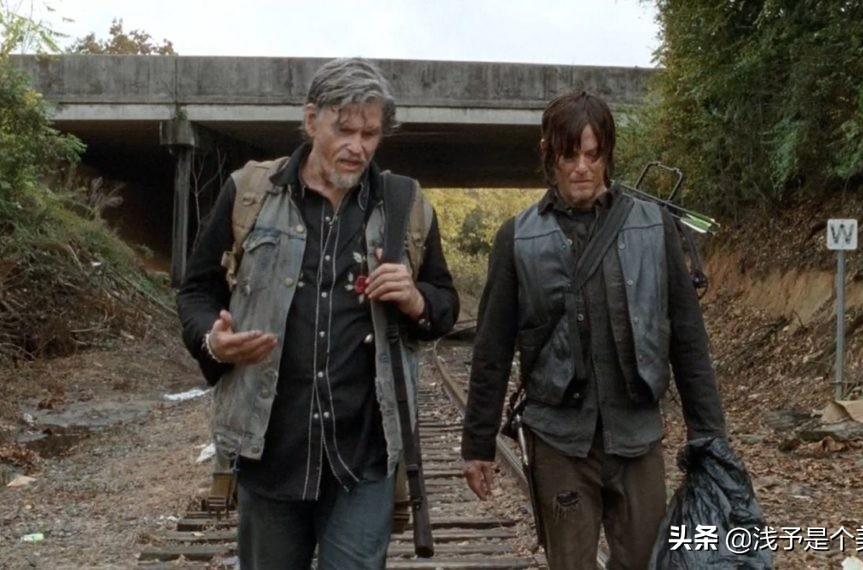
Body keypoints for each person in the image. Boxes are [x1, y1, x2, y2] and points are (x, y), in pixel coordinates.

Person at [177, 57, 458, 570]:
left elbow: (444, 304)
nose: (358, 146)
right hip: (271, 449)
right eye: (344, 130)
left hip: (364, 453)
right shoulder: (251, 193)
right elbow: (196, 291)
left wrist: (417, 300)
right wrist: (212, 342)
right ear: (311, 120)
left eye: (370, 134)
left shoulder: (405, 204)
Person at [459, 90, 727, 569]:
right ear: (549, 155)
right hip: (559, 439)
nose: (582, 168)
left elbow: (688, 339)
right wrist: (478, 446)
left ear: (607, 154)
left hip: (637, 435)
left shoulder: (654, 228)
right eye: (570, 155)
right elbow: (492, 349)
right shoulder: (517, 238)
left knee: (647, 561)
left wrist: (709, 436)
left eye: (593, 154)